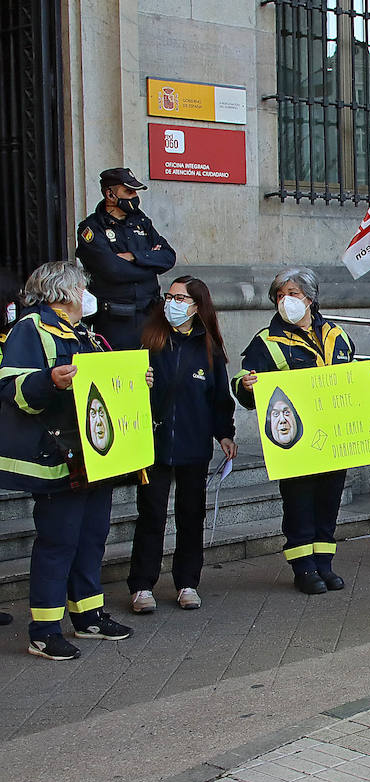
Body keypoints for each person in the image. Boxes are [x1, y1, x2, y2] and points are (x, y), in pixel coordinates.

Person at [0, 261, 144, 659]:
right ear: (64, 292)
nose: (87, 294)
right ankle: (44, 630)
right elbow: (13, 389)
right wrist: (50, 380)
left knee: (91, 536)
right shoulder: (32, 329)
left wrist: (134, 381)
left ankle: (88, 615)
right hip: (57, 455)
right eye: (83, 287)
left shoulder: (89, 336)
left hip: (94, 455)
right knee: (58, 542)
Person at [233, 268, 370, 593]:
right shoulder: (267, 341)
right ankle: (303, 567)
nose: (285, 301)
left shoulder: (338, 336)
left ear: (310, 298)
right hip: (295, 444)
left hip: (334, 442)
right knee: (299, 505)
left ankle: (324, 564)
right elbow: (242, 388)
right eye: (279, 295)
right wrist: (246, 385)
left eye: (292, 294)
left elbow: (353, 380)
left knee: (329, 503)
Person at [128, 276, 237, 614]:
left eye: (180, 298)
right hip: (154, 443)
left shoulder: (209, 348)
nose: (172, 303)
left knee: (191, 515)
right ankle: (142, 586)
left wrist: (225, 433)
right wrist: (137, 382)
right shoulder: (149, 339)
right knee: (151, 515)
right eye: (169, 296)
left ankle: (187, 582)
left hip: (193, 443)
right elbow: (122, 385)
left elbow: (220, 397)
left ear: (196, 306)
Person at [75, 168, 177, 350]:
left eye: (136, 191)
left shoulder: (142, 222)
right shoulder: (91, 228)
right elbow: (113, 270)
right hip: (116, 320)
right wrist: (150, 265)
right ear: (110, 194)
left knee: (155, 372)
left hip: (151, 314)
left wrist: (133, 257)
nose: (134, 196)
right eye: (129, 191)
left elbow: (168, 257)